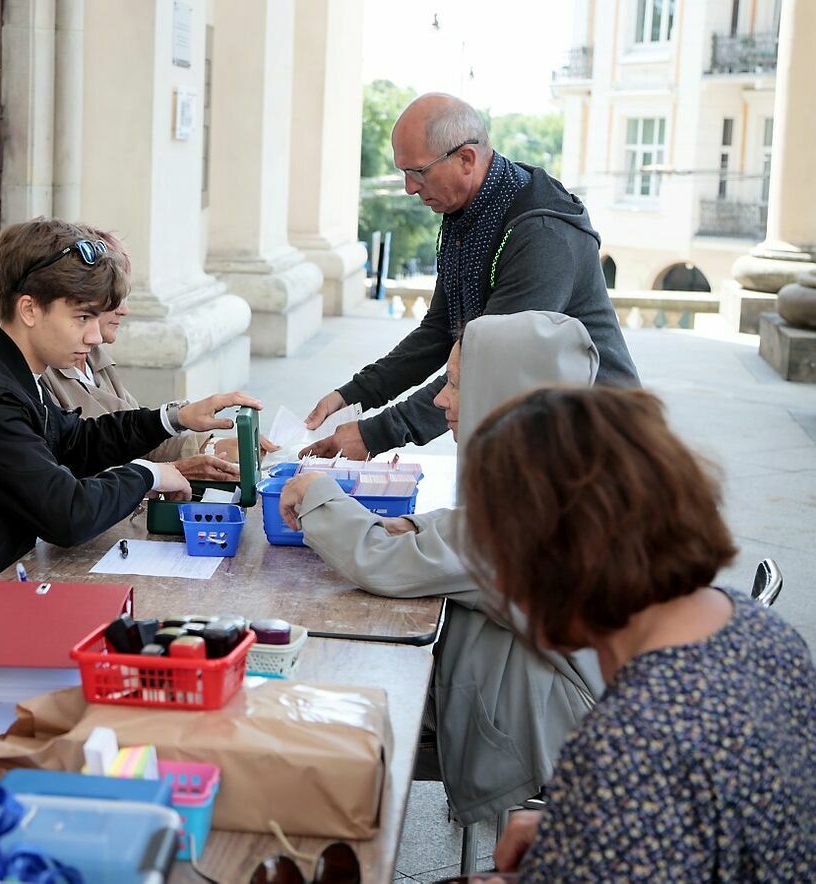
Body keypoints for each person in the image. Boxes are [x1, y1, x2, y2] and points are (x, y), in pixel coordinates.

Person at [461, 388, 816, 880]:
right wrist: (578, 830)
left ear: (559, 556)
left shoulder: (628, 747)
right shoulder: (763, 631)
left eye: (501, 553)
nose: (499, 581)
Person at [278, 312, 603, 826]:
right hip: (557, 705)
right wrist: (409, 525)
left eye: (454, 384)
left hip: (544, 739)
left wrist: (318, 492)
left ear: (504, 395)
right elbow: (463, 530)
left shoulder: (528, 516)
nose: (440, 401)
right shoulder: (559, 472)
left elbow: (381, 565)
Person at [0, 218, 261, 580]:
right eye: (82, 317)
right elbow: (66, 514)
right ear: (29, 309)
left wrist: (173, 418)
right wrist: (149, 474)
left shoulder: (12, 372)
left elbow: (78, 441)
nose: (95, 336)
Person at [302, 92, 638, 459]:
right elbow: (439, 331)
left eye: (417, 172)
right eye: (404, 173)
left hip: (601, 441)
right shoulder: (466, 213)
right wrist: (355, 395)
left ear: (465, 158)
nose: (409, 188)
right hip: (534, 426)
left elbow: (489, 368)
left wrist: (376, 434)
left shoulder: (542, 234)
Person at [41, 225, 278, 480]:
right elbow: (77, 480)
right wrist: (167, 471)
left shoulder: (95, 359)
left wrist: (212, 447)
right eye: (111, 300)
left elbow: (138, 438)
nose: (125, 310)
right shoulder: (39, 378)